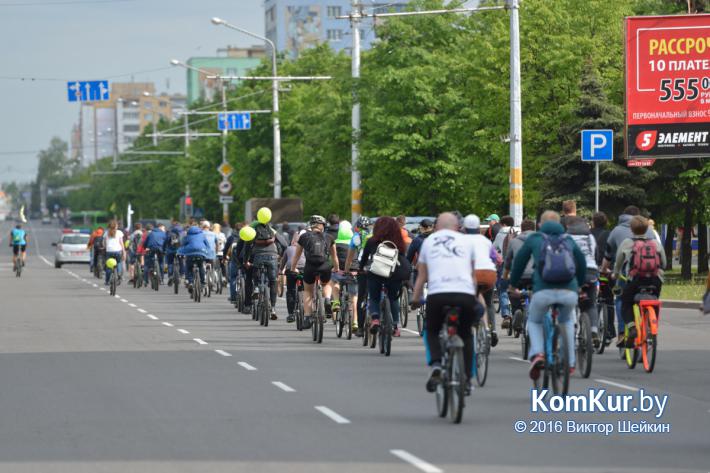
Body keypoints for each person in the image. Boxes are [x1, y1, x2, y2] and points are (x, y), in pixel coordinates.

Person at [510, 211, 587, 380]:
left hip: (543, 290)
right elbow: (581, 263)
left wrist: (513, 285)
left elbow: (519, 263)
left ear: (540, 225)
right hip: (569, 292)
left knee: (534, 320)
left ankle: (538, 354)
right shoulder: (568, 240)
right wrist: (579, 285)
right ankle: (569, 361)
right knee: (566, 320)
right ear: (561, 224)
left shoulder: (535, 239)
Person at [412, 212, 482, 395]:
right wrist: (474, 298)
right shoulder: (467, 242)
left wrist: (415, 298)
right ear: (457, 226)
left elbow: (422, 276)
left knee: (432, 330)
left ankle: (436, 363)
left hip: (438, 295)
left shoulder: (428, 242)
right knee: (466, 335)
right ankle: (466, 379)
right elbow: (473, 276)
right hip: (464, 294)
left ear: (437, 227)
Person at [601, 206, 656, 344]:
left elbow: (610, 255)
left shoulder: (617, 231)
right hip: (652, 276)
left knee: (621, 299)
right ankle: (649, 325)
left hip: (629, 275)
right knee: (653, 297)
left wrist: (611, 272)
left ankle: (622, 333)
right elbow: (663, 260)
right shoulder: (651, 232)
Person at [612, 216, 666, 347]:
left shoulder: (627, 243)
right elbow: (664, 263)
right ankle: (651, 327)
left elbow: (618, 263)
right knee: (654, 299)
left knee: (626, 302)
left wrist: (616, 274)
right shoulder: (655, 243)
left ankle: (631, 327)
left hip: (636, 280)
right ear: (647, 228)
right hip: (655, 280)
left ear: (631, 229)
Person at [359, 216, 409, 337]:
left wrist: (361, 269)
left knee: (374, 298)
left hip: (376, 273)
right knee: (393, 299)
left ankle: (375, 318)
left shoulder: (371, 241)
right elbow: (402, 256)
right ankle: (396, 326)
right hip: (394, 274)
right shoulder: (398, 241)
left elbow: (364, 258)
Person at [291, 215, 340, 329]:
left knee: (308, 290)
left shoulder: (304, 237)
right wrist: (336, 268)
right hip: (324, 266)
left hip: (310, 267)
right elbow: (334, 257)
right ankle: (327, 299)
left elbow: (296, 256)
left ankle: (308, 317)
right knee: (327, 283)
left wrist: (293, 268)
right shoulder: (329, 237)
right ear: (323, 226)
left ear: (311, 225)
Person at [566, 215, 601, 347]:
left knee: (571, 302)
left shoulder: (566, 238)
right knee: (591, 304)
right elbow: (596, 255)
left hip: (572, 273)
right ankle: (593, 330)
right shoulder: (590, 237)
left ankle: (573, 327)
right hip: (591, 272)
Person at [463, 214, 499, 345]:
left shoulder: (461, 241)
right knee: (489, 303)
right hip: (488, 274)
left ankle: (467, 326)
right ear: (478, 228)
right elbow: (497, 259)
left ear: (465, 228)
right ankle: (491, 329)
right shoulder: (486, 241)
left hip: (470, 276)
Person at [245, 208, 280, 320]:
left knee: (256, 268)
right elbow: (283, 244)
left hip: (258, 255)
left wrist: (246, 261)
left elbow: (247, 247)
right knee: (273, 281)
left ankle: (255, 288)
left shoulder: (252, 230)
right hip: (272, 256)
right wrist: (280, 255)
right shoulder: (272, 230)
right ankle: (273, 309)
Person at [503, 219, 536, 332]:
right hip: (536, 276)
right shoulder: (541, 240)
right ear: (534, 229)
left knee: (512, 291)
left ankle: (517, 309)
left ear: (521, 229)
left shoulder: (514, 241)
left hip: (519, 275)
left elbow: (507, 261)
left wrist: (505, 276)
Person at [344, 216, 373, 337]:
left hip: (363, 268)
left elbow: (350, 257)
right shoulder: (375, 236)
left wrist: (346, 269)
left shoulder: (356, 237)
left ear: (358, 226)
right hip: (376, 267)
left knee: (360, 296)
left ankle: (360, 328)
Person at [492, 215, 515, 329]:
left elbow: (493, 249)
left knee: (503, 289)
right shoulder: (519, 231)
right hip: (518, 265)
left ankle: (506, 315)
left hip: (504, 265)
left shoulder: (501, 234)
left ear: (504, 224)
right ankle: (518, 311)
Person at [331, 220, 356, 321]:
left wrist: (333, 267)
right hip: (353, 269)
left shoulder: (335, 243)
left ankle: (336, 301)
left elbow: (332, 257)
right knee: (353, 293)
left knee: (335, 280)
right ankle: (353, 315)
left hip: (340, 269)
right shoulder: (354, 242)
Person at [280, 229, 306, 323]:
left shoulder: (289, 248)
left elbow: (283, 261)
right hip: (303, 270)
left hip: (291, 270)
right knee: (306, 290)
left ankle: (291, 314)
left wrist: (280, 270)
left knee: (290, 291)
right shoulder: (305, 248)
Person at [179, 224, 211, 289]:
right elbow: (208, 246)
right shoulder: (202, 236)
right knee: (200, 266)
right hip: (200, 253)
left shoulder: (187, 236)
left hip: (190, 254)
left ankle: (190, 281)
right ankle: (202, 282)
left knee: (189, 267)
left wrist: (181, 253)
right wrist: (208, 253)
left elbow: (182, 245)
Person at [103, 220, 126, 286]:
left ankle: (107, 281)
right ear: (116, 226)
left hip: (109, 251)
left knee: (109, 266)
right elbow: (121, 243)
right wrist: (124, 252)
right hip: (118, 251)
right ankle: (119, 275)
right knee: (118, 263)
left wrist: (105, 248)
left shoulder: (106, 233)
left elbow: (104, 243)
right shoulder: (119, 232)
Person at [165, 220, 184, 285]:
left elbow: (166, 241)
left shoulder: (170, 232)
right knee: (181, 262)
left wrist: (164, 249)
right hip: (180, 251)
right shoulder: (182, 232)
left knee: (170, 263)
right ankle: (182, 274)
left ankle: (170, 276)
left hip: (170, 251)